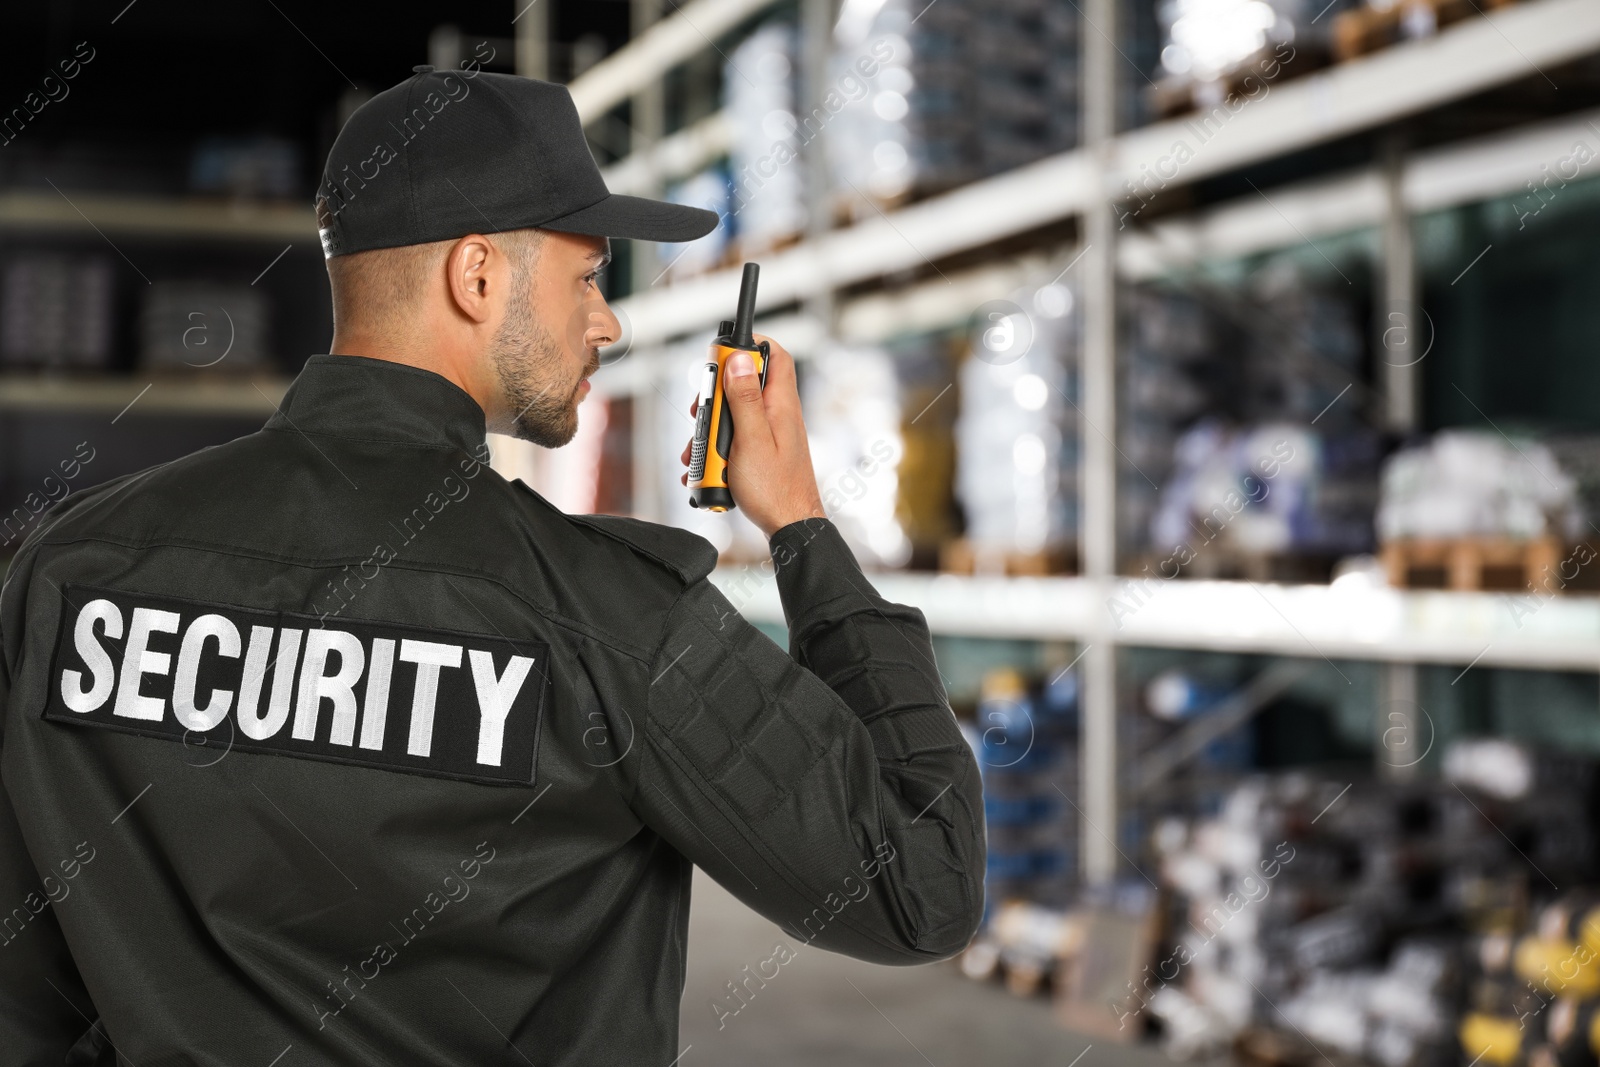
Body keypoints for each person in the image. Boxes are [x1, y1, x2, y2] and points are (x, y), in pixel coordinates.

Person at [0, 68, 984, 1064]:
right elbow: (920, 885)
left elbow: (24, 989)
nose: (607, 321)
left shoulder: (69, 571)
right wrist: (801, 526)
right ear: (477, 277)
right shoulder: (607, 614)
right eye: (588, 276)